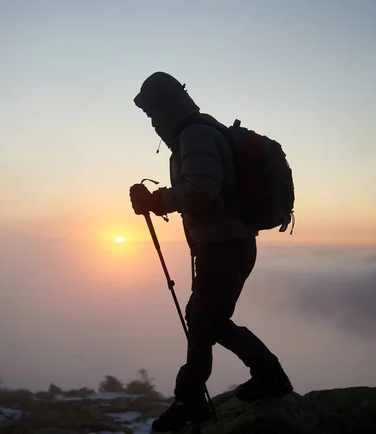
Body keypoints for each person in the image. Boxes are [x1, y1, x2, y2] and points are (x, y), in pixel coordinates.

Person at [129, 72, 293, 433]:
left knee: (207, 320)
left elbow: (202, 190)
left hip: (225, 246)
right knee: (203, 319)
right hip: (226, 244)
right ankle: (193, 401)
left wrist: (155, 201)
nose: (151, 121)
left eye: (152, 112)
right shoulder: (200, 132)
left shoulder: (195, 136)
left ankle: (266, 376)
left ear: (165, 108)